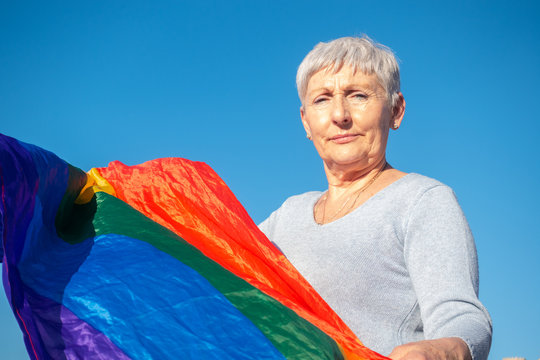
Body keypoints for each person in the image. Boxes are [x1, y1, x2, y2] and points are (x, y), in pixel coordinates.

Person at [259, 36, 492, 360]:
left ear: (396, 111)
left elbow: (460, 316)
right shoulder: (285, 218)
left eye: (358, 95)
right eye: (322, 99)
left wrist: (441, 351)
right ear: (306, 121)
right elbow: (213, 262)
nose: (340, 114)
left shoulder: (421, 201)